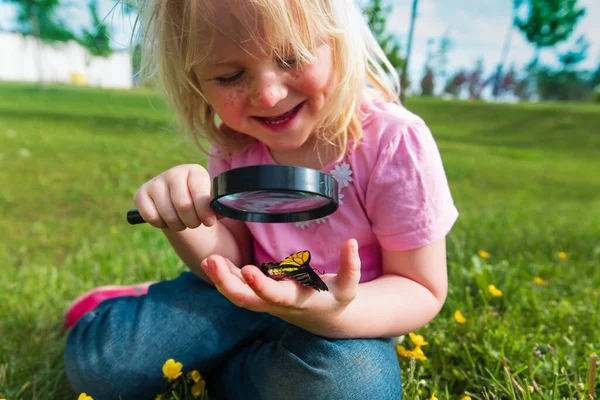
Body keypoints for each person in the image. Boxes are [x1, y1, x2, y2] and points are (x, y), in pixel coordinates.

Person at [63, 0, 459, 398]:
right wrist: (183, 219)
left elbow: (419, 286)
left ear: (340, 41)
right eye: (231, 75)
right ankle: (143, 314)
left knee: (353, 386)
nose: (268, 95)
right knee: (105, 363)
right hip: (246, 294)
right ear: (195, 80)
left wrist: (332, 311)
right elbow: (230, 260)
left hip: (346, 320)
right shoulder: (235, 142)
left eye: (292, 56)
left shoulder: (393, 142)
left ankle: (224, 372)